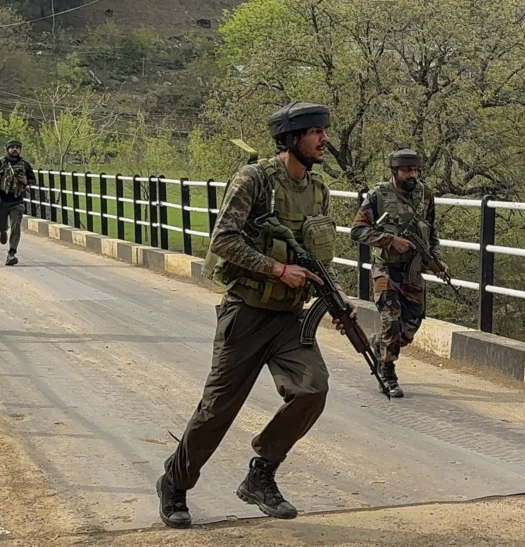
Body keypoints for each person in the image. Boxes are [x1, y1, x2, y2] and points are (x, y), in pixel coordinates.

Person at [156, 102, 356, 529]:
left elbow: (318, 256)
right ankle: (174, 483)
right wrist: (277, 269)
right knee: (216, 411)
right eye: (315, 132)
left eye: (324, 131)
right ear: (292, 138)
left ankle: (261, 473)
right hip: (246, 313)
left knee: (312, 390)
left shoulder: (318, 190)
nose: (324, 140)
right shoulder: (255, 180)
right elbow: (223, 240)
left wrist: (337, 297)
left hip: (290, 319)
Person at [349, 149, 448, 398]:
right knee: (391, 323)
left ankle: (380, 344)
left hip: (413, 272)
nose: (412, 175)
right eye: (406, 170)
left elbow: (432, 232)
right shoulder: (377, 196)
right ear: (395, 171)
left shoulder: (425, 195)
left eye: (415, 170)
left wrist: (437, 260)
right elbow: (358, 231)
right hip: (386, 269)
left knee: (409, 328)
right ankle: (388, 372)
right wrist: (390, 240)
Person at [0, 140, 35, 265]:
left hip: (17, 201)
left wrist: (26, 181)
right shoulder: (0, 163)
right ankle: (2, 231)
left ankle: (11, 253)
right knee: (3, 226)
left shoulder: (25, 165)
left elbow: (33, 180)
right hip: (0, 201)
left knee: (16, 226)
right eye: (12, 147)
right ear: (7, 149)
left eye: (17, 147)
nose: (15, 149)